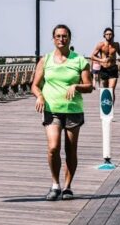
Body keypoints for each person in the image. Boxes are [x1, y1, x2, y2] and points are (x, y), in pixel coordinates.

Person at [32, 24, 93, 201]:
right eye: (58, 36)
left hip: (73, 109)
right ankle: (55, 184)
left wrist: (76, 86)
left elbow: (89, 86)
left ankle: (67, 187)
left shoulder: (79, 60)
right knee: (53, 148)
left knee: (71, 150)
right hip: (51, 109)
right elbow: (34, 85)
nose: (61, 39)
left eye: (64, 36)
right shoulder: (45, 60)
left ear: (70, 38)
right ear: (53, 39)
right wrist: (39, 96)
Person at [90, 27, 120, 104]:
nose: (108, 36)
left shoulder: (116, 45)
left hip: (113, 68)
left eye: (110, 34)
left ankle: (111, 107)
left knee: (111, 89)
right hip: (104, 69)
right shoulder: (100, 45)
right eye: (107, 34)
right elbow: (92, 56)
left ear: (113, 35)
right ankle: (106, 106)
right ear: (104, 35)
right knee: (105, 90)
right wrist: (101, 60)